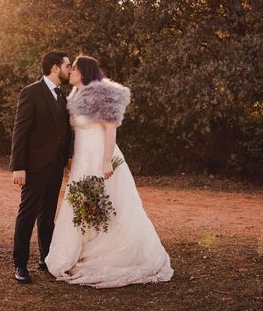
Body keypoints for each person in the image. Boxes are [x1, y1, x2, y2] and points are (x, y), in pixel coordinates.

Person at [45, 55, 174, 288]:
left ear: (84, 72)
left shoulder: (100, 94)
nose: (70, 72)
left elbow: (110, 129)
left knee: (109, 205)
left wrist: (106, 161)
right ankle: (82, 251)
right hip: (82, 160)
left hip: (100, 157)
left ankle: (109, 253)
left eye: (74, 69)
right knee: (82, 206)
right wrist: (73, 159)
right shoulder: (75, 96)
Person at [10, 51, 73, 284]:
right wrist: (18, 167)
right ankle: (20, 264)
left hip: (55, 165)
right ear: (55, 68)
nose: (70, 69)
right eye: (68, 65)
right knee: (27, 214)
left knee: (47, 215)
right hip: (34, 166)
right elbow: (20, 132)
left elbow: (64, 132)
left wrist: (66, 158)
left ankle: (46, 258)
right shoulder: (31, 93)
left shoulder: (63, 96)